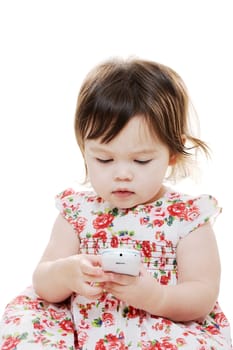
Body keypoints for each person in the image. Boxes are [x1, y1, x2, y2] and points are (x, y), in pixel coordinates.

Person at [0, 57, 232, 350]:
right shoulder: (78, 212)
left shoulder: (187, 218)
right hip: (78, 326)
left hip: (157, 326)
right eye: (104, 159)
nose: (122, 174)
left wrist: (155, 296)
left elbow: (202, 295)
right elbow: (43, 281)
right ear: (85, 150)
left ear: (172, 154)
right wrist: (66, 273)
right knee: (27, 325)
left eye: (141, 160)